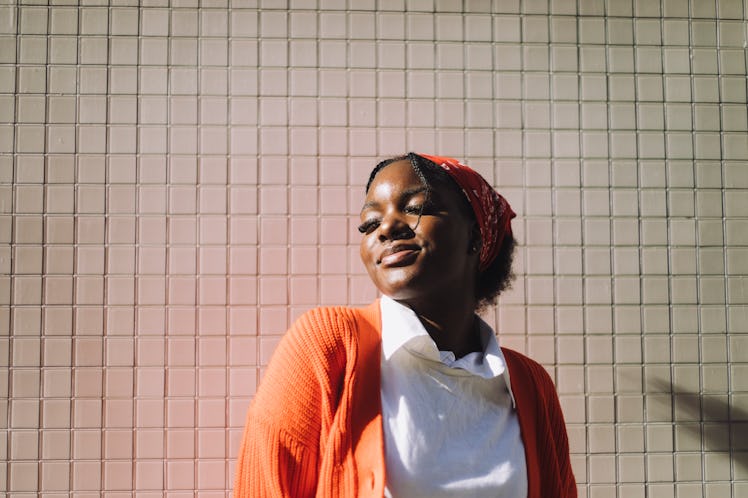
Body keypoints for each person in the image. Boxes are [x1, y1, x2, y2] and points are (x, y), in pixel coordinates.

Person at [233, 153, 576, 497]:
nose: (386, 228)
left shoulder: (530, 386)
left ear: (475, 235)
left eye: (413, 208)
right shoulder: (328, 345)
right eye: (369, 223)